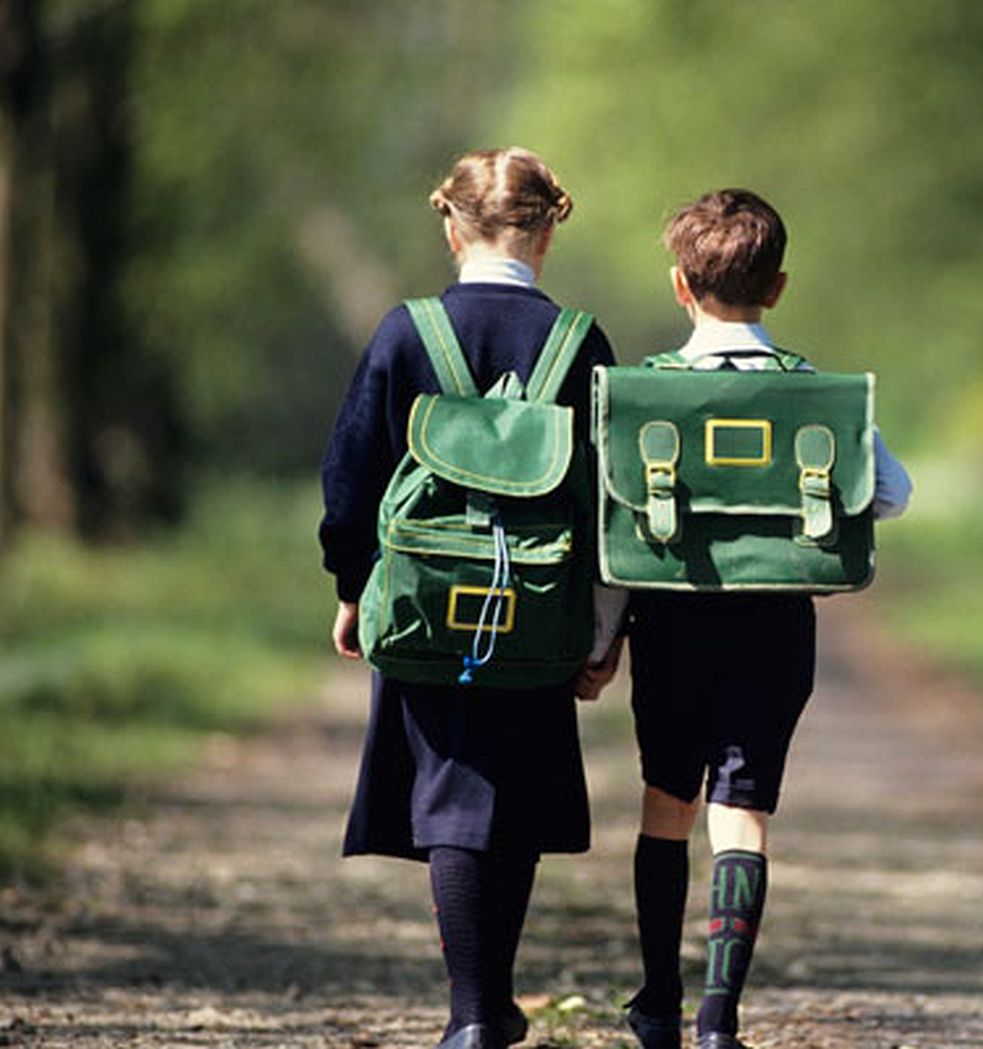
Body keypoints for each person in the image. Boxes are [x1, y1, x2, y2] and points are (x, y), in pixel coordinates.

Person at [319, 147, 619, 1049]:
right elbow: (611, 505)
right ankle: (490, 1001)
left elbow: (350, 477)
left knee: (451, 797)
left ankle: (473, 1012)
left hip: (424, 602)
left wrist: (352, 587)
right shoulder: (580, 342)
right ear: (549, 231)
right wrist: (603, 633)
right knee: (513, 799)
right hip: (539, 609)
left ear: (450, 226)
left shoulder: (405, 334)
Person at [604, 189, 912, 1049]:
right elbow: (891, 494)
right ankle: (719, 1019)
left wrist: (598, 645)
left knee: (666, 801)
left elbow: (614, 536)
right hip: (775, 629)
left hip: (672, 621)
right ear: (777, 288)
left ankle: (657, 1003)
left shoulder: (646, 394)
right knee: (742, 813)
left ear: (679, 285)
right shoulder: (813, 394)